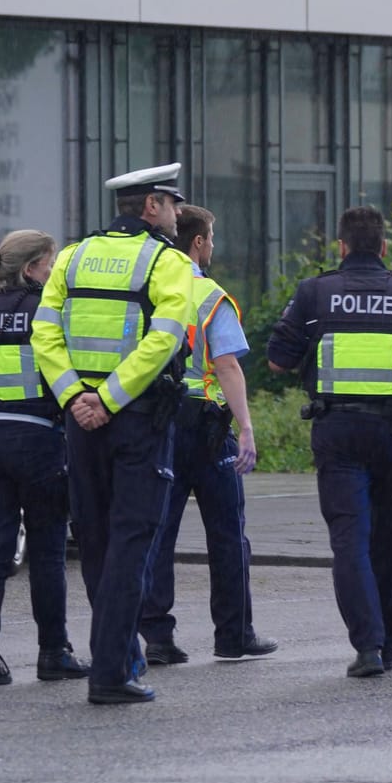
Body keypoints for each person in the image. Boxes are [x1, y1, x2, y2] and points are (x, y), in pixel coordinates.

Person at [267, 206, 392, 678]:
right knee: (391, 539)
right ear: (382, 248)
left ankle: (368, 648)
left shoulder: (315, 292)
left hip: (337, 435)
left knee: (349, 543)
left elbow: (277, 361)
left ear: (340, 247)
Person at [32, 162, 196, 706]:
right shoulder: (166, 261)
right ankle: (111, 672)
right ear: (151, 206)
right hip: (137, 420)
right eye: (172, 203)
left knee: (98, 542)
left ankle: (119, 657)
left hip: (81, 423)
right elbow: (166, 338)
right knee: (131, 543)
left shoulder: (74, 256)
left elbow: (45, 333)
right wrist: (108, 399)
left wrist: (75, 397)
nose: (177, 213)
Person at [139, 204, 277, 666]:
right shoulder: (209, 295)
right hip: (208, 423)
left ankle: (157, 637)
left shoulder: (152, 288)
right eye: (211, 239)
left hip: (160, 420)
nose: (213, 247)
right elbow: (227, 364)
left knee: (160, 530)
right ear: (197, 242)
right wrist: (247, 428)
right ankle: (233, 635)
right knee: (226, 533)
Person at [0, 229, 89, 688]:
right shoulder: (48, 313)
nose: (54, 271)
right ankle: (54, 652)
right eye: (50, 263)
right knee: (49, 555)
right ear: (33, 268)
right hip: (38, 444)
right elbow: (63, 381)